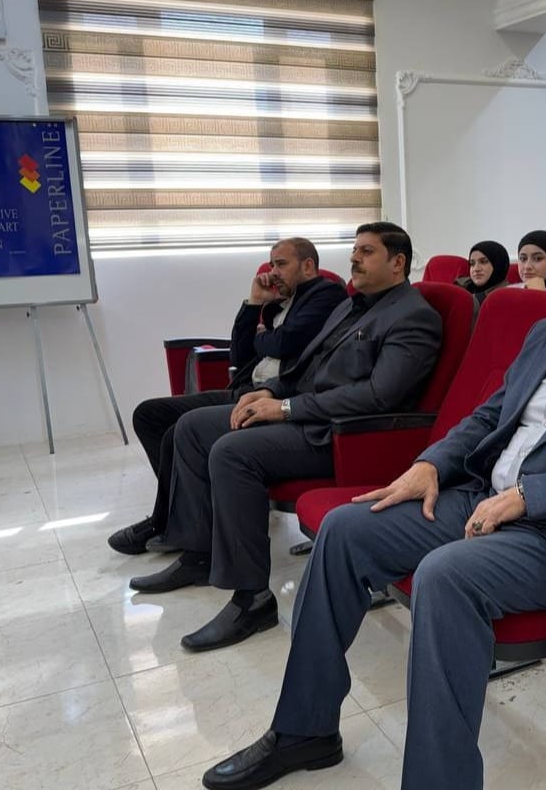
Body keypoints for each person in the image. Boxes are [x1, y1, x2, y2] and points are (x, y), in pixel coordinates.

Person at [199, 220, 546, 790]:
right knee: (346, 530)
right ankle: (305, 729)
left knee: (445, 575)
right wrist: (431, 464)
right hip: (478, 496)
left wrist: (530, 495)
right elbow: (488, 415)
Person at [128, 222, 444, 652]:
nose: (354, 258)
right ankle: (199, 552)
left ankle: (252, 599)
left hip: (342, 437)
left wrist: (287, 407)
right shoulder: (351, 305)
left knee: (231, 452)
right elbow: (306, 368)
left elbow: (378, 396)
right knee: (193, 427)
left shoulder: (413, 316)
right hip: (306, 414)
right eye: (354, 250)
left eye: (367, 252)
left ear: (398, 262)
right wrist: (272, 390)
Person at [107, 238, 347, 555]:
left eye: (281, 264)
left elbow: (284, 344)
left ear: (308, 266)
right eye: (271, 264)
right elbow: (239, 352)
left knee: (178, 432)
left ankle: (169, 524)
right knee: (149, 415)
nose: (274, 272)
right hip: (245, 390)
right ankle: (178, 516)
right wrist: (254, 304)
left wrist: (266, 337)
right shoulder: (277, 304)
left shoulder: (326, 295)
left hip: (273, 397)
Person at [454, 239, 510, 307]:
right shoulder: (462, 287)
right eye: (472, 264)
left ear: (498, 265)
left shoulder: (506, 296)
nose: (476, 269)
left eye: (483, 262)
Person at [512, 229, 546, 294]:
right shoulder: (510, 293)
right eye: (523, 259)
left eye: (538, 259)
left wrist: (538, 295)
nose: (527, 266)